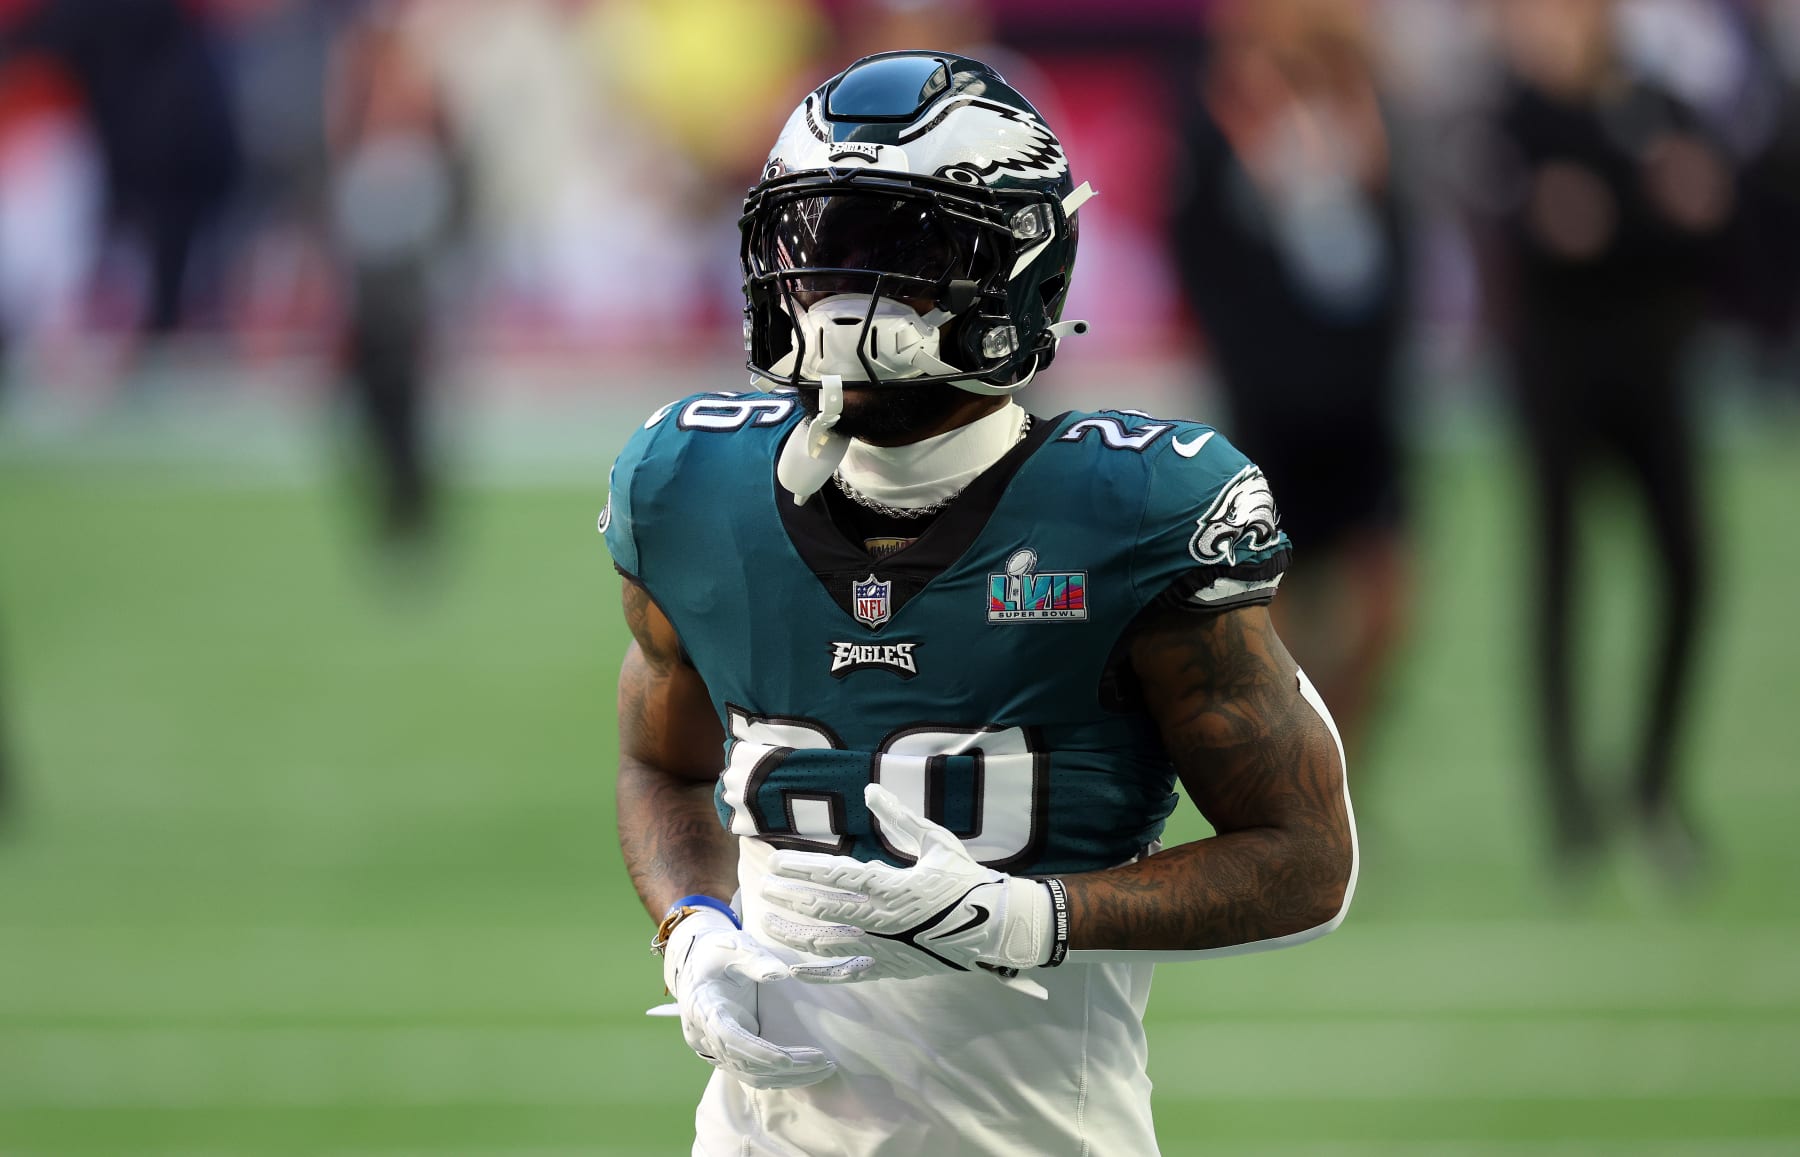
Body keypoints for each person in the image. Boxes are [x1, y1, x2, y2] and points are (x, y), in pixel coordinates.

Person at [600, 52, 1358, 1155]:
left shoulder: (1131, 512)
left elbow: (1305, 855)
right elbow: (658, 762)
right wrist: (693, 927)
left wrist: (1038, 917)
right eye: (815, 244)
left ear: (1019, 269)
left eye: (896, 249)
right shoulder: (689, 489)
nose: (832, 290)